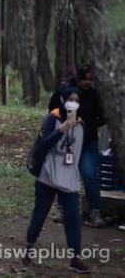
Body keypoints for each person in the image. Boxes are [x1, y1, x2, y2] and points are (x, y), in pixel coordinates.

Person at [22, 87, 90, 274]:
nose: (73, 103)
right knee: (40, 214)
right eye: (70, 99)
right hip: (47, 176)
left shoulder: (81, 124)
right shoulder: (52, 119)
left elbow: (78, 152)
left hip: (69, 179)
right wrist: (61, 130)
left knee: (73, 219)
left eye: (77, 100)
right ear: (62, 100)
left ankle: (75, 258)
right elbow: (42, 145)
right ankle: (29, 247)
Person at [48, 64, 106, 227]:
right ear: (78, 78)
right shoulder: (65, 92)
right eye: (85, 79)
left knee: (89, 176)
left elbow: (103, 116)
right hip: (68, 143)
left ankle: (95, 211)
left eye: (91, 79)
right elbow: (52, 110)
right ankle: (63, 210)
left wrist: (89, 126)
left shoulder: (94, 95)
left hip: (88, 143)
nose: (88, 82)